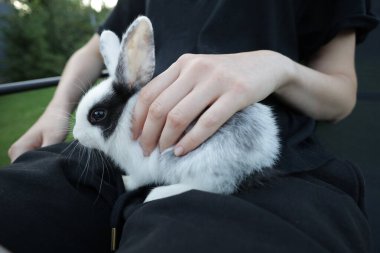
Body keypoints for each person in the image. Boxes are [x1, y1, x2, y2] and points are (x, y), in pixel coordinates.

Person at [1, 0, 378, 252]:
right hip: (128, 146)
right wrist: (56, 109)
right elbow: (92, 49)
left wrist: (275, 66)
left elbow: (341, 95)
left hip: (262, 167)